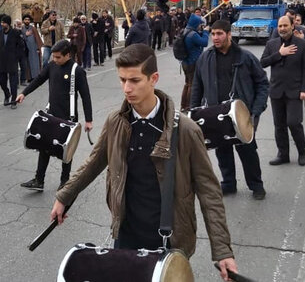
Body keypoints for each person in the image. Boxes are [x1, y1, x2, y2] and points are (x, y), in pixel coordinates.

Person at [50, 44, 237, 280]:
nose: (127, 88)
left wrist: (222, 251)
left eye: (135, 80)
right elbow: (93, 163)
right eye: (122, 80)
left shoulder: (186, 130)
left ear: (153, 79)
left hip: (169, 240)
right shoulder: (115, 122)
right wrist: (64, 196)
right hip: (126, 236)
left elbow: (209, 191)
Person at [191, 20, 269, 199]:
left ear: (229, 34)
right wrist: (193, 113)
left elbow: (263, 83)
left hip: (241, 115)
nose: (215, 38)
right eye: (213, 34)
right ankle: (228, 183)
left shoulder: (245, 57)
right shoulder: (205, 57)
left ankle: (256, 185)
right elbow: (197, 86)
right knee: (222, 151)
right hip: (215, 114)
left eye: (219, 34)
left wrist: (256, 110)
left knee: (248, 152)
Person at [17, 40, 93, 191]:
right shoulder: (52, 66)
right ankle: (39, 180)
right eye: (54, 57)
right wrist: (24, 93)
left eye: (58, 57)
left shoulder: (77, 71)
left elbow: (86, 96)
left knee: (66, 151)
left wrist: (89, 120)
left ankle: (64, 181)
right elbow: (39, 80)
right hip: (51, 114)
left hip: (68, 118)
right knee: (43, 146)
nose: (55, 60)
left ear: (67, 55)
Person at [260, 16, 305, 166]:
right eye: (280, 26)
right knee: (279, 125)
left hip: (295, 91)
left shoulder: (302, 44)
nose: (282, 28)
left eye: (285, 25)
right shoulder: (272, 44)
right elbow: (262, 63)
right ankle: (283, 154)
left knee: (294, 123)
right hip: (276, 91)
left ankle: (302, 152)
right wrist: (279, 54)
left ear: (292, 26)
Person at [180, 14, 209, 111]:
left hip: (185, 62)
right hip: (192, 62)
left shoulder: (185, 31)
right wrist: (205, 32)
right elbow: (204, 42)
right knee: (192, 84)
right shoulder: (193, 35)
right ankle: (189, 105)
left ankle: (183, 105)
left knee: (187, 83)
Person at [0, 15, 24, 109]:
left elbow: (21, 46)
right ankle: (7, 94)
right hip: (1, 61)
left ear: (8, 23)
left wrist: (17, 57)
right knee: (2, 81)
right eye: (1, 22)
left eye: (3, 22)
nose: (2, 24)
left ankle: (13, 100)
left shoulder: (16, 33)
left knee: (13, 82)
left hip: (12, 61)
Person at [21, 14, 43, 80]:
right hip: (25, 49)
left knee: (35, 63)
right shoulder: (22, 29)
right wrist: (25, 35)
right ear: (23, 21)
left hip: (34, 49)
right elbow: (20, 39)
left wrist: (38, 48)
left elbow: (37, 38)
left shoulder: (33, 28)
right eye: (25, 20)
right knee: (27, 64)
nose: (27, 21)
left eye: (28, 20)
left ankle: (36, 77)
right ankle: (29, 77)